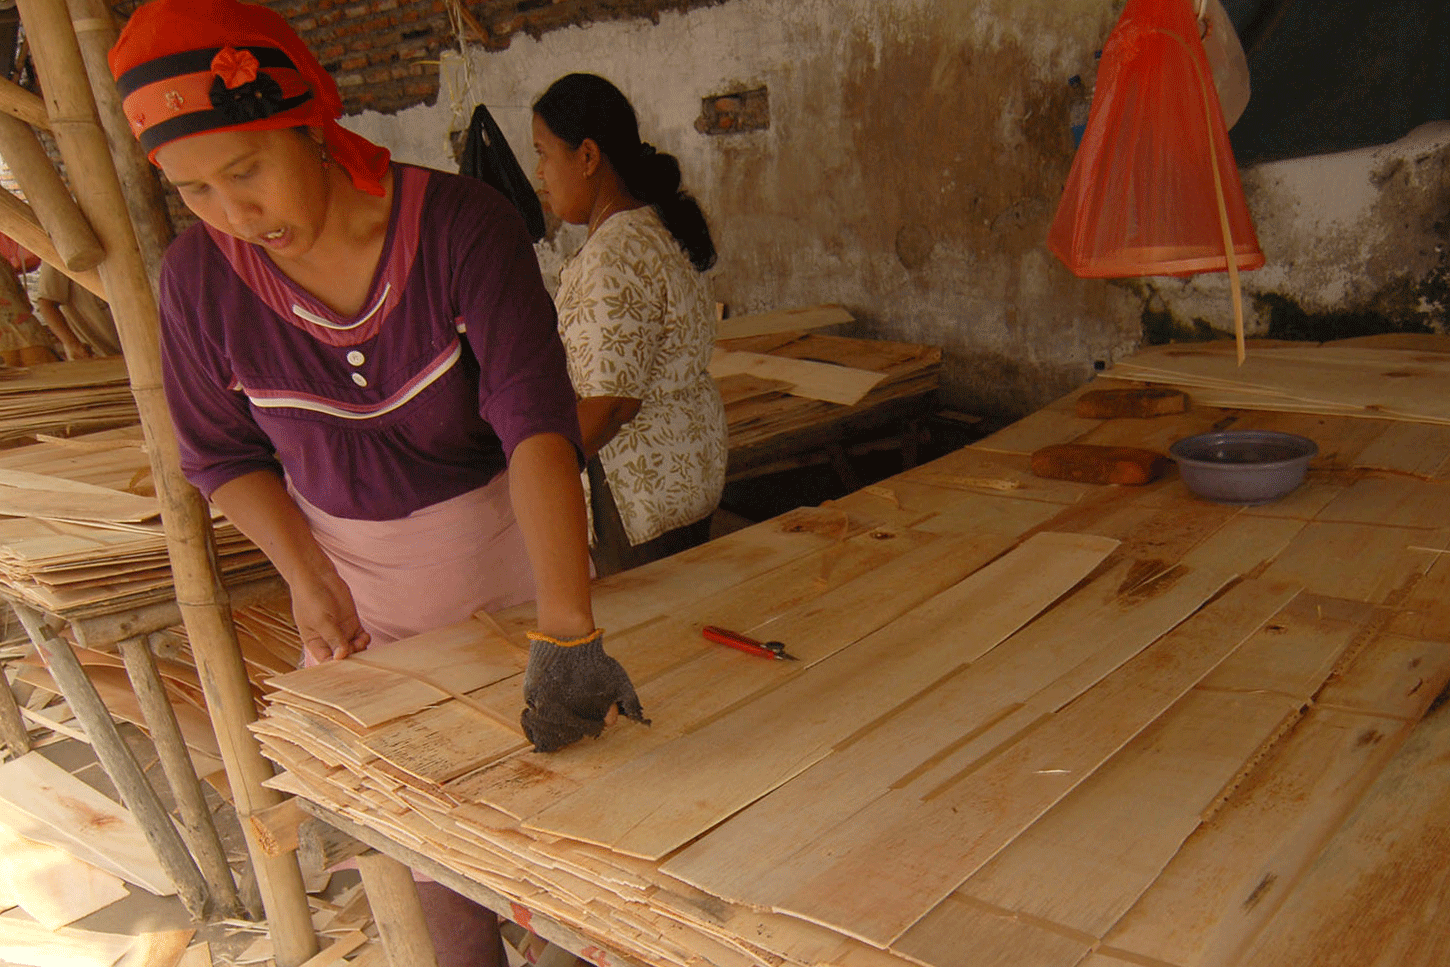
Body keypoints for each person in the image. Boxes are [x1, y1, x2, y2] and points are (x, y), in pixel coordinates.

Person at [109, 3, 645, 964]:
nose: (233, 215)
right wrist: (308, 576)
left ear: (310, 123)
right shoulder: (197, 279)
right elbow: (221, 455)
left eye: (246, 172)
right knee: (440, 874)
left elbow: (536, 425)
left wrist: (566, 626)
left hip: (516, 576)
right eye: (192, 190)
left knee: (566, 859)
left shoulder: (462, 227)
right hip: (362, 609)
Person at [532, 74, 728, 577]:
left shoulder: (614, 255)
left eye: (544, 153)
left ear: (589, 157)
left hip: (638, 491)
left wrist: (537, 472)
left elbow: (611, 404)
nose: (539, 173)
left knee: (650, 634)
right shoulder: (653, 226)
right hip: (679, 472)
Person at [35, 262, 123, 357]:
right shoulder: (61, 252)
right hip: (96, 354)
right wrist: (73, 344)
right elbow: (46, 304)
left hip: (134, 350)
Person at [0, 260, 62, 366]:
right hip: (29, 331)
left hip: (5, 338)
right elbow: (25, 303)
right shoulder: (2, 261)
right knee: (48, 380)